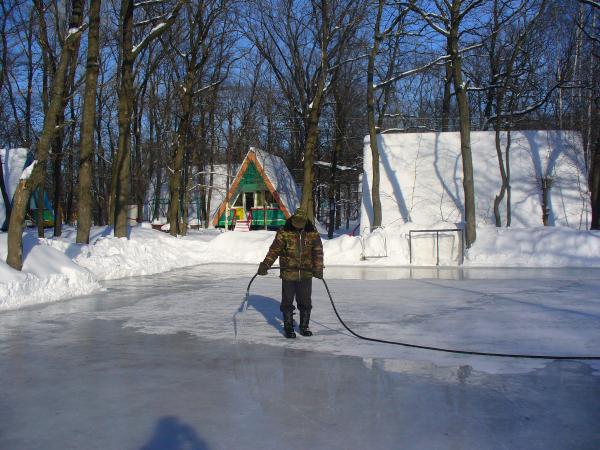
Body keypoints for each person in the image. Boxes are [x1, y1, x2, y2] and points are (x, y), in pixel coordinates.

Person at [258, 207, 324, 338]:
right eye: (296, 223)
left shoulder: (312, 233)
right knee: (287, 301)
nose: (298, 226)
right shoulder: (284, 232)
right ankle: (289, 328)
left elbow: (318, 251)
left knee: (305, 302)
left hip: (305, 274)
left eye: (301, 224)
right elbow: (274, 250)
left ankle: (304, 327)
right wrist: (265, 264)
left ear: (305, 222)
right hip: (288, 273)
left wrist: (318, 268)